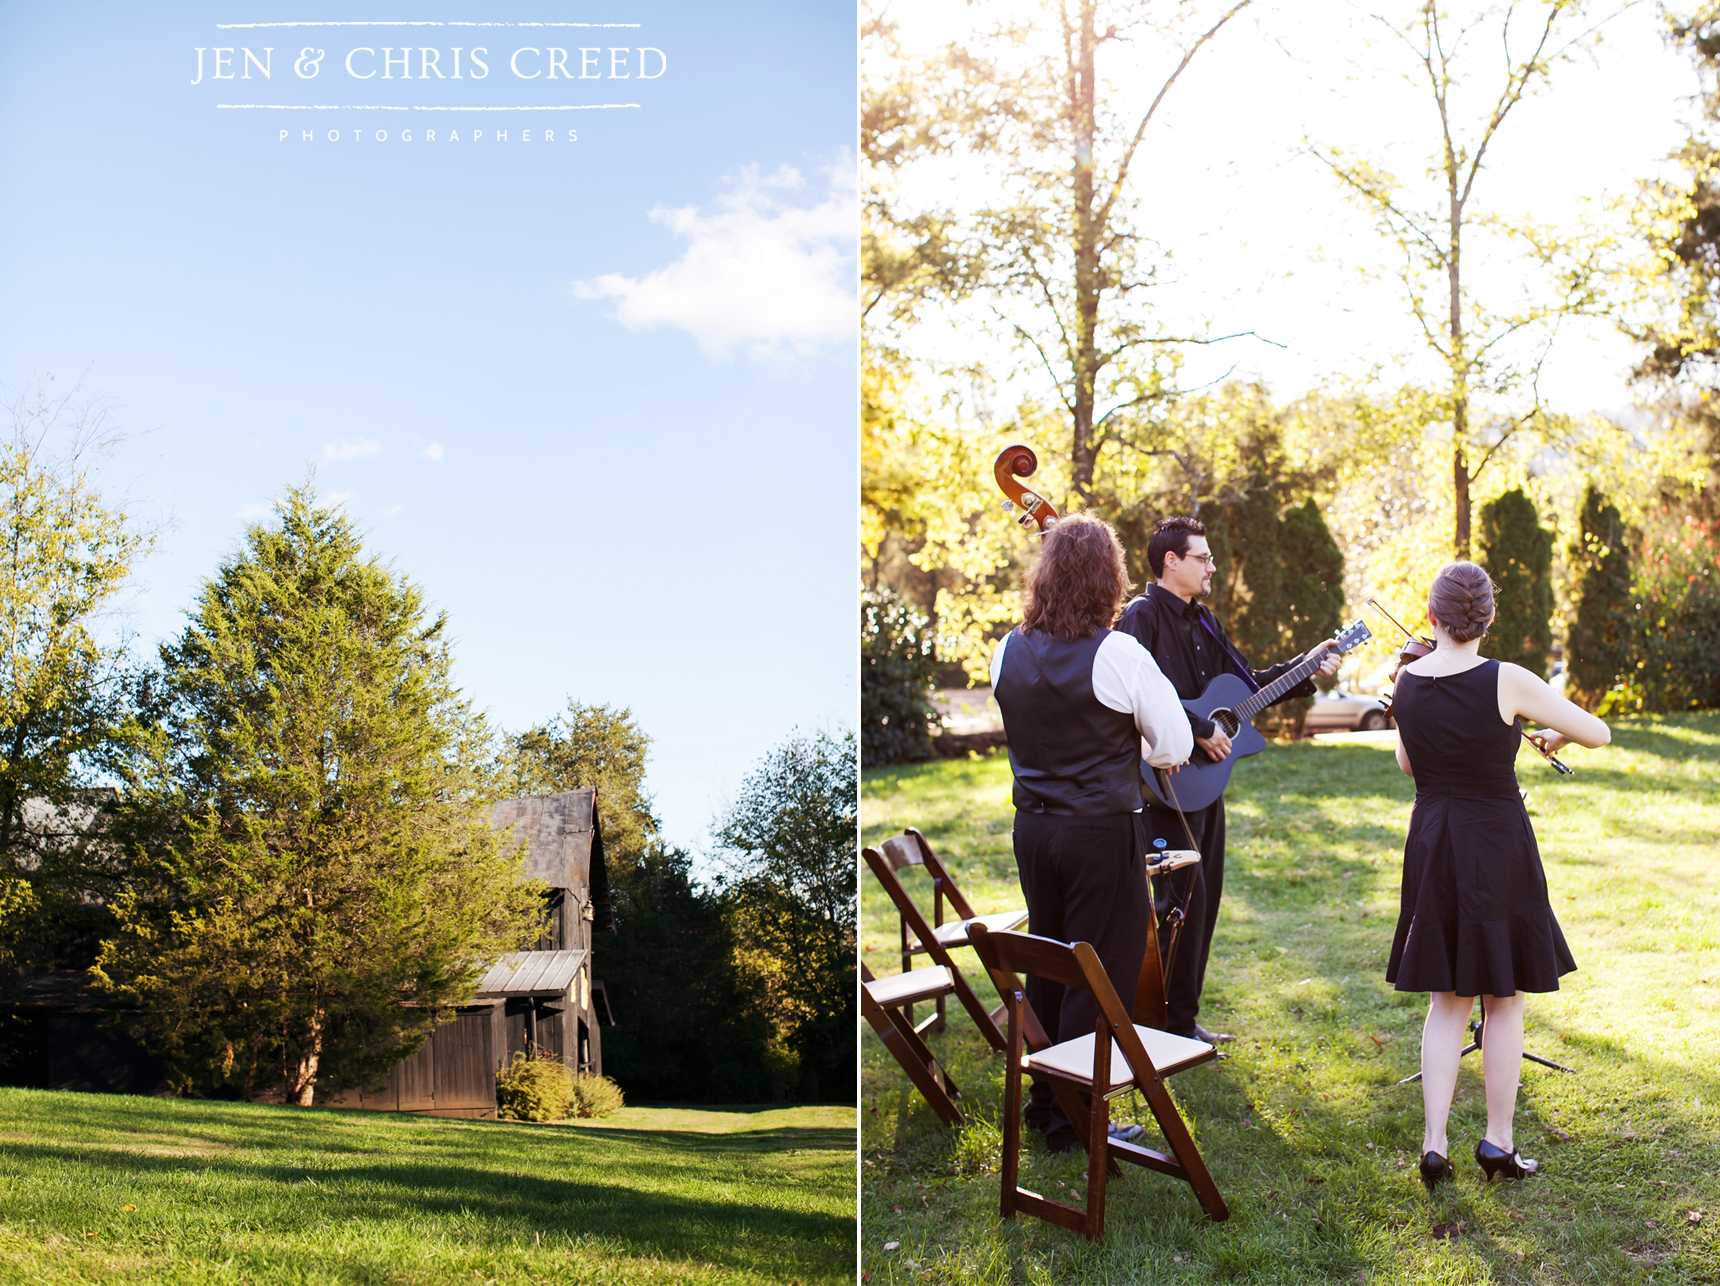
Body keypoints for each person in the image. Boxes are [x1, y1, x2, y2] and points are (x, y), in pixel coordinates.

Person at [1388, 561, 1610, 1190]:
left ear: (1432, 616)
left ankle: (1434, 1148)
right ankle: (1498, 1142)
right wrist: (1552, 735)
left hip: (1433, 838)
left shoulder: (1406, 680)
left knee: (1445, 1002)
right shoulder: (1505, 680)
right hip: (1494, 842)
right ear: (1488, 618)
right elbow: (1597, 731)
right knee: (1503, 996)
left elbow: (1409, 764)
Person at [990, 513, 1192, 1153]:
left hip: (1034, 831)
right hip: (1102, 832)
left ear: (1044, 576)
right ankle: (1078, 1115)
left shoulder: (1006, 650)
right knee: (1099, 967)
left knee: (1050, 961)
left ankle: (1049, 1102)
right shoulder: (1119, 651)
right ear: (1110, 577)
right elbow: (1175, 744)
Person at [1114, 516, 1341, 1044]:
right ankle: (1150, 1025)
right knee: (1165, 905)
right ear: (1171, 561)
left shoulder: (1205, 621)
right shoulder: (1140, 618)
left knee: (1201, 901)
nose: (1212, 566)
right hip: (1161, 785)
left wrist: (1307, 666)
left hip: (1205, 788)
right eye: (1203, 557)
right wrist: (1196, 731)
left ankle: (1183, 1022)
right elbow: (1136, 692)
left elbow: (1249, 686)